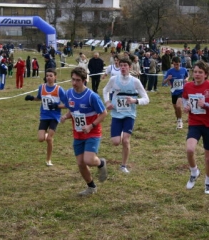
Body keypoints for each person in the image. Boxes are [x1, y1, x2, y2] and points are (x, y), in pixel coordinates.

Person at [60, 67, 108, 196]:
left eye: (78, 80)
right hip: (78, 133)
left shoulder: (92, 96)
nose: (74, 83)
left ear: (84, 80)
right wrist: (66, 116)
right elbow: (73, 109)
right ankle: (91, 187)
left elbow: (103, 113)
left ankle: (101, 162)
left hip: (92, 132)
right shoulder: (69, 93)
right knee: (80, 163)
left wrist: (91, 126)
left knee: (89, 160)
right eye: (73, 80)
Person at [182, 61, 209, 195]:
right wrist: (187, 107)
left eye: (200, 72)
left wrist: (206, 105)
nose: (197, 74)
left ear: (206, 74)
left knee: (208, 158)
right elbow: (185, 98)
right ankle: (194, 171)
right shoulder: (188, 86)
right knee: (190, 149)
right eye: (195, 72)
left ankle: (208, 182)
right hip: (194, 122)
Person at [102, 57, 149, 173]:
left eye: (125, 66)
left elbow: (146, 99)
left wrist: (135, 101)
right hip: (116, 114)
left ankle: (123, 166)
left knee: (126, 141)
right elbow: (105, 90)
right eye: (121, 65)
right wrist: (107, 102)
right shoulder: (113, 79)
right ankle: (122, 134)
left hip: (129, 114)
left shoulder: (135, 81)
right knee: (116, 142)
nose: (123, 67)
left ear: (130, 67)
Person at [25, 69, 67, 166]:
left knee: (48, 139)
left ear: (55, 77)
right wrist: (31, 98)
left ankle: (48, 159)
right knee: (40, 139)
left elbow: (67, 104)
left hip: (54, 116)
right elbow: (39, 98)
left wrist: (56, 106)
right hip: (44, 115)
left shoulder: (59, 89)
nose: (48, 77)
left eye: (51, 76)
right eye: (47, 75)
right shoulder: (42, 87)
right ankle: (49, 136)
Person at [163, 56, 189, 129]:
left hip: (181, 91)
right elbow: (164, 82)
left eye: (177, 64)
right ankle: (178, 120)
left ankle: (180, 121)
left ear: (180, 63)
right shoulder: (170, 71)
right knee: (176, 109)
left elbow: (187, 76)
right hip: (174, 92)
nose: (176, 66)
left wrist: (186, 79)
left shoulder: (184, 70)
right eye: (174, 64)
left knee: (178, 106)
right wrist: (168, 79)